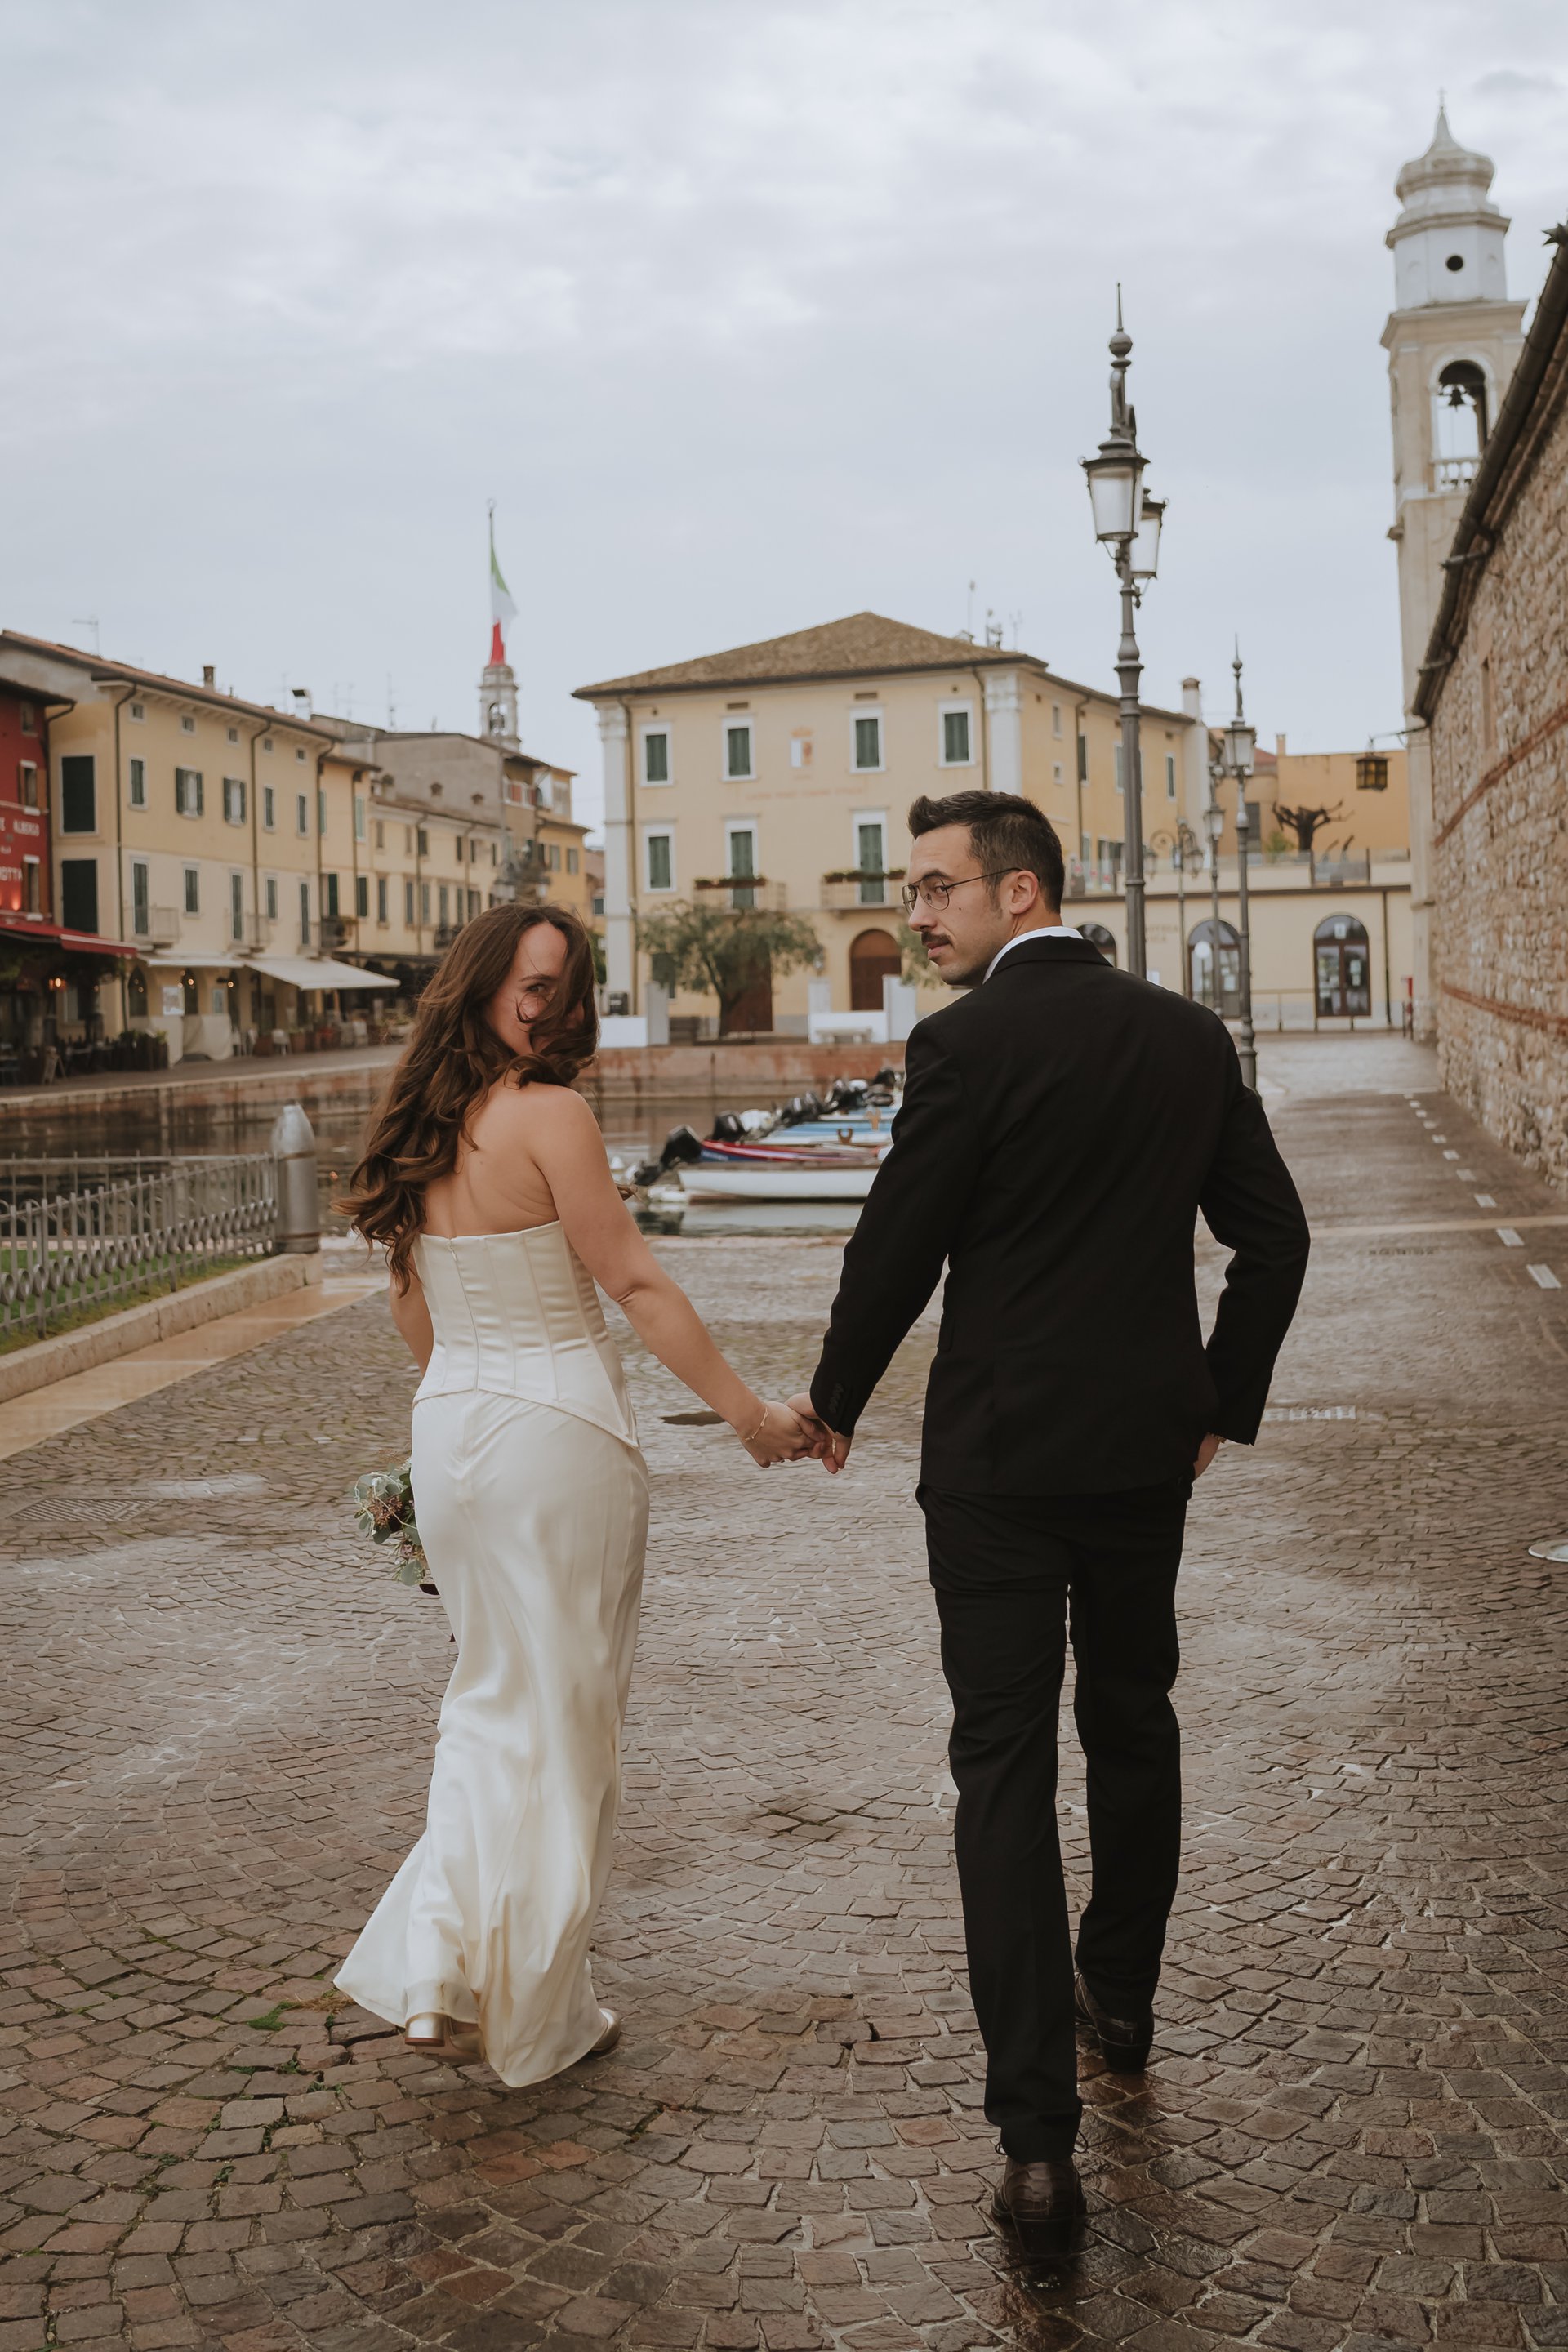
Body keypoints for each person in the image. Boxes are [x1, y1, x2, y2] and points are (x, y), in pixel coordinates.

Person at [789, 791, 1310, 2258]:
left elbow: (900, 1242)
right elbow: (1274, 1238)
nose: (918, 915)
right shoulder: (1188, 1038)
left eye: (937, 889)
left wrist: (834, 1399)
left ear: (1021, 891)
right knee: (1135, 1719)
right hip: (1146, 1457)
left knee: (1003, 1772)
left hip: (1002, 1468)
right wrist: (1221, 1397)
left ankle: (1036, 2147)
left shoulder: (964, 1046)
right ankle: (1120, 1996)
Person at [336, 904, 814, 2082]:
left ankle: (441, 1969)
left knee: (487, 1698)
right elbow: (634, 1283)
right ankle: (541, 2014)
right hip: (558, 1435)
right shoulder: (551, 1116)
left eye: (558, 985)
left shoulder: (420, 1124)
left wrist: (457, 1419)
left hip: (452, 1430)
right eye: (527, 982)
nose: (542, 1006)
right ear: (481, 981)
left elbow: (412, 1307)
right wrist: (751, 1417)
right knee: (568, 1719)